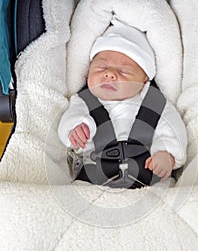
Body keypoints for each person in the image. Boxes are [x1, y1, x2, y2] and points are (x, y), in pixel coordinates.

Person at [58, 18, 187, 187]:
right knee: (76, 195)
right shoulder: (83, 101)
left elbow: (172, 130)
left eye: (124, 71)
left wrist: (167, 154)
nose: (110, 74)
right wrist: (75, 129)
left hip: (148, 176)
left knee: (166, 191)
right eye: (101, 68)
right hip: (95, 179)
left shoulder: (156, 103)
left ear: (144, 79)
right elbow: (69, 122)